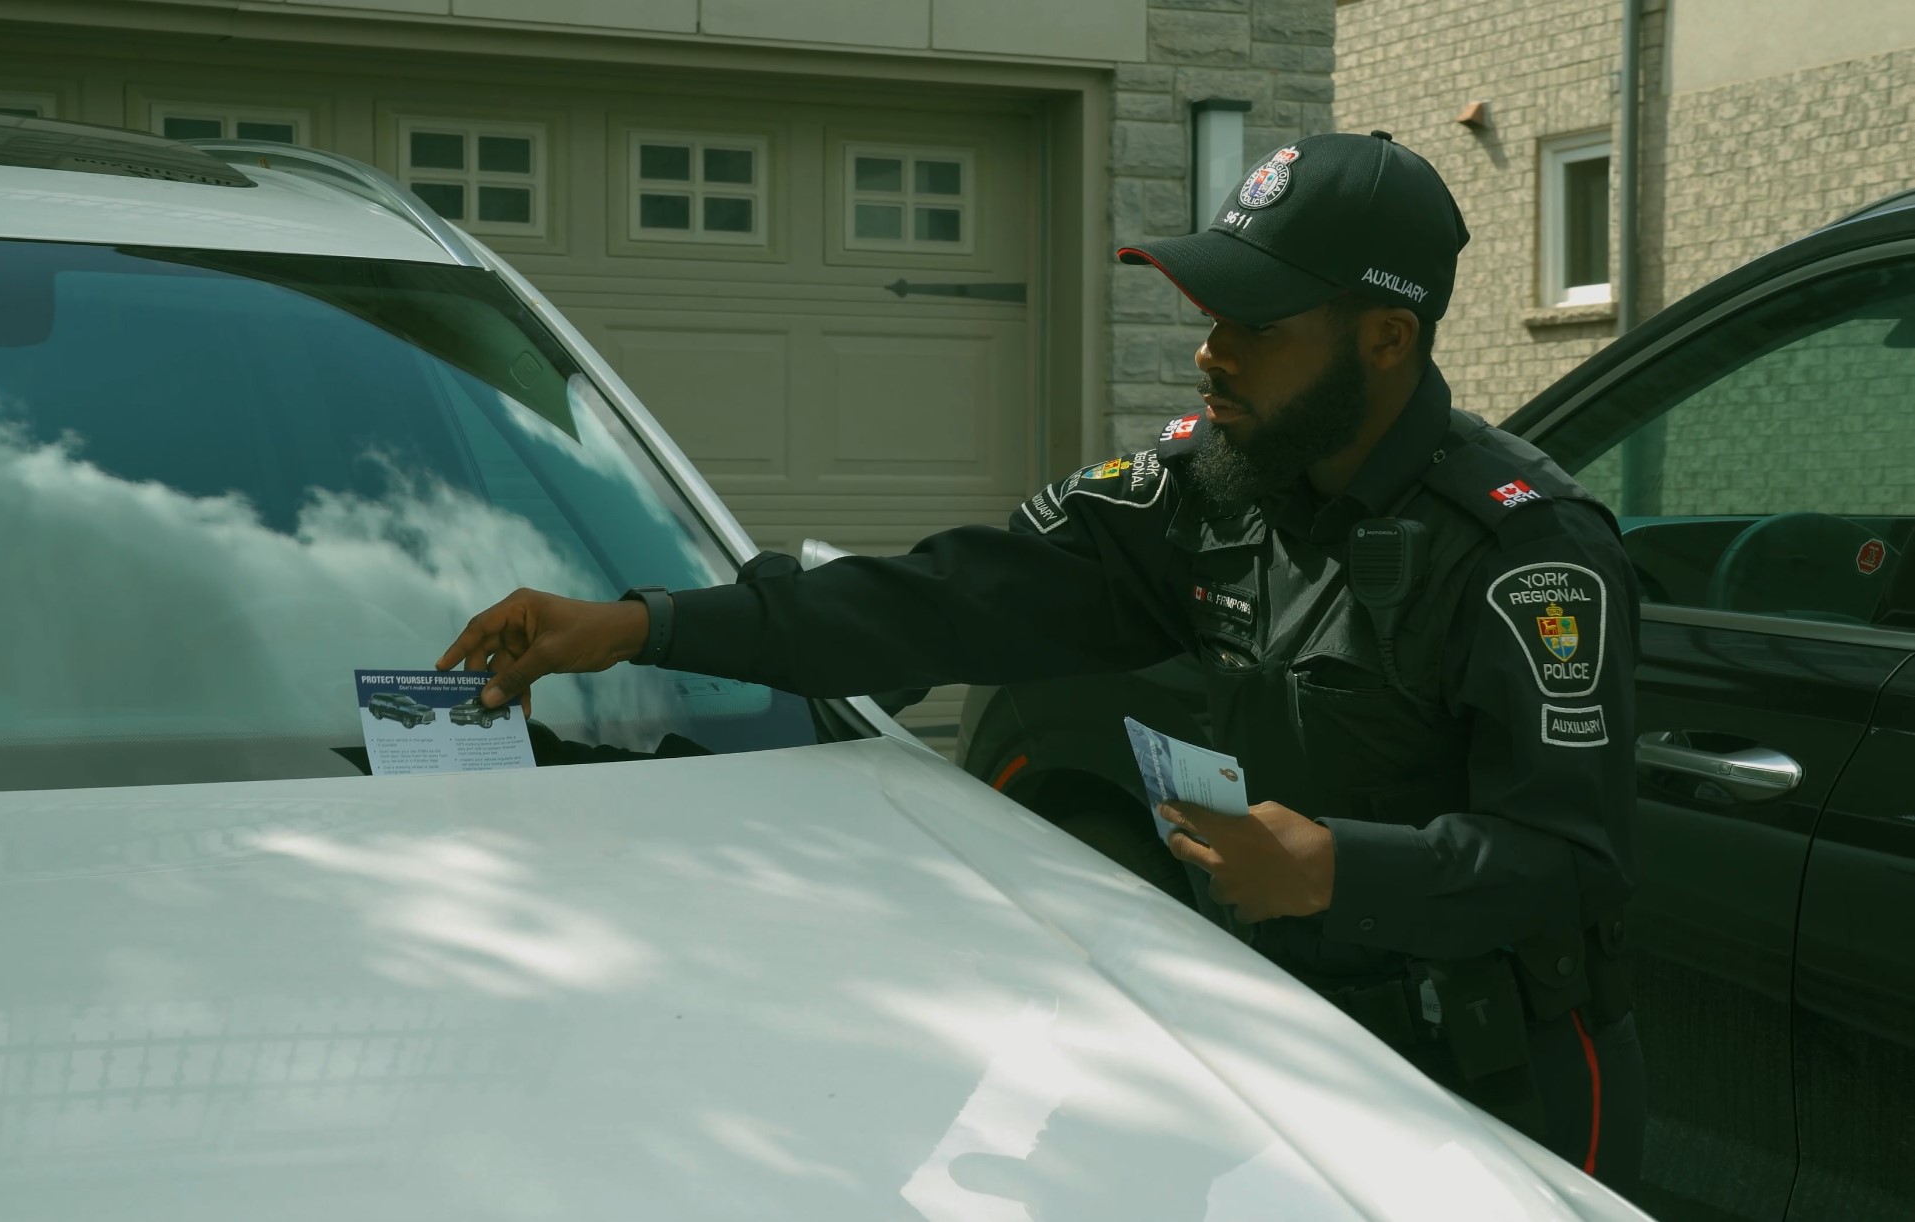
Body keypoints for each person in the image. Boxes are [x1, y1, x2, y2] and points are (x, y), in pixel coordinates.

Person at [436, 131, 1645, 1187]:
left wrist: (1338, 868)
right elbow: (936, 604)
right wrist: (644, 624)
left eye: (1252, 327)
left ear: (1386, 338)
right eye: (1208, 318)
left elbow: (1570, 865)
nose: (1207, 356)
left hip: (1492, 1091)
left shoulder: (1526, 553)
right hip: (1283, 1051)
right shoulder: (1211, 492)